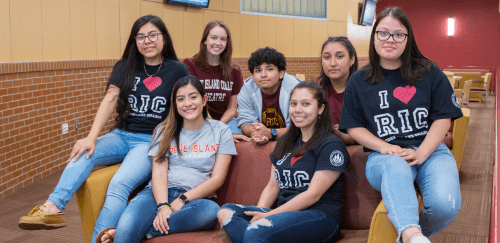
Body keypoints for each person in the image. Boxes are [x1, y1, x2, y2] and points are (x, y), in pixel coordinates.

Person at [18, 14, 190, 235]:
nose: (147, 41)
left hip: (150, 141)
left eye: (152, 35)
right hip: (121, 135)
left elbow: (189, 103)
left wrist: (215, 130)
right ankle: (52, 208)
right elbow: (109, 99)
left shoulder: (177, 70)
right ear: (134, 41)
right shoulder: (125, 66)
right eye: (140, 37)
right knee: (82, 153)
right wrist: (90, 137)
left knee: (118, 184)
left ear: (164, 38)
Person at [339, 7, 462, 243]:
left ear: (408, 38)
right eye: (383, 33)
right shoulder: (358, 80)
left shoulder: (429, 71)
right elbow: (354, 127)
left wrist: (422, 151)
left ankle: (409, 238)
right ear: (373, 36)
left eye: (398, 34)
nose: (390, 40)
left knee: (446, 206)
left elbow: (443, 118)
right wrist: (385, 147)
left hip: (431, 150)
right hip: (385, 156)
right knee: (395, 166)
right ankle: (412, 235)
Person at [95, 76, 237, 243]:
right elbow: (159, 173)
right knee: (126, 226)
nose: (188, 103)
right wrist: (163, 205)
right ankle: (128, 231)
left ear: (204, 100)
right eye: (181, 99)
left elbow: (217, 179)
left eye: (193, 97)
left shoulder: (221, 130)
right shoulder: (164, 130)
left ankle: (144, 230)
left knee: (211, 212)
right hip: (156, 195)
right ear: (175, 104)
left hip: (194, 199)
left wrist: (183, 199)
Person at [218, 81, 349, 243]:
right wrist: (260, 212)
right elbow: (273, 186)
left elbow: (313, 195)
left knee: (256, 232)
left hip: (320, 216)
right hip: (282, 216)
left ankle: (254, 235)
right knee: (227, 212)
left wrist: (268, 215)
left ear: (321, 108)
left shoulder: (331, 144)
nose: (298, 109)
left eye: (306, 104)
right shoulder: (285, 141)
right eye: (293, 104)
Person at [182, 20, 249, 143]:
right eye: (213, 38)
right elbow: (195, 101)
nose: (218, 43)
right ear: (205, 40)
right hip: (199, 119)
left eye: (223, 39)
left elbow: (232, 108)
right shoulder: (190, 65)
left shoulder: (234, 70)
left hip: (227, 120)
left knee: (236, 143)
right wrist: (213, 127)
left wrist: (220, 127)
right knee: (212, 142)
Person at [237, 47, 300, 145]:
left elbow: (301, 127)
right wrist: (256, 132)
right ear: (252, 76)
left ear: (281, 73)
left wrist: (272, 133)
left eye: (269, 69)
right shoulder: (247, 89)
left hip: (293, 141)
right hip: (261, 140)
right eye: (258, 71)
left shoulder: (296, 89)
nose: (263, 75)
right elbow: (245, 121)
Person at [317, 36, 358, 145]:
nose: (332, 63)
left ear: (352, 59)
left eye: (339, 56)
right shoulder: (315, 89)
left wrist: (344, 135)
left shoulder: (363, 89)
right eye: (326, 57)